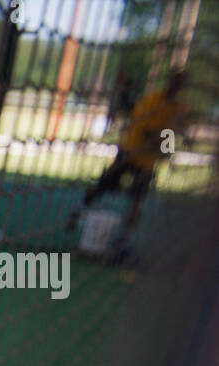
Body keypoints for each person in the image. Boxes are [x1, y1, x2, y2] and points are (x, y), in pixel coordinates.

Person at [70, 70, 190, 244]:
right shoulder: (151, 100)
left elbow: (173, 132)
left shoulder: (178, 108)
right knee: (104, 185)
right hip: (130, 152)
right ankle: (78, 210)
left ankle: (125, 238)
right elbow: (145, 130)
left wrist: (167, 144)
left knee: (137, 200)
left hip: (147, 161)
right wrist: (163, 144)